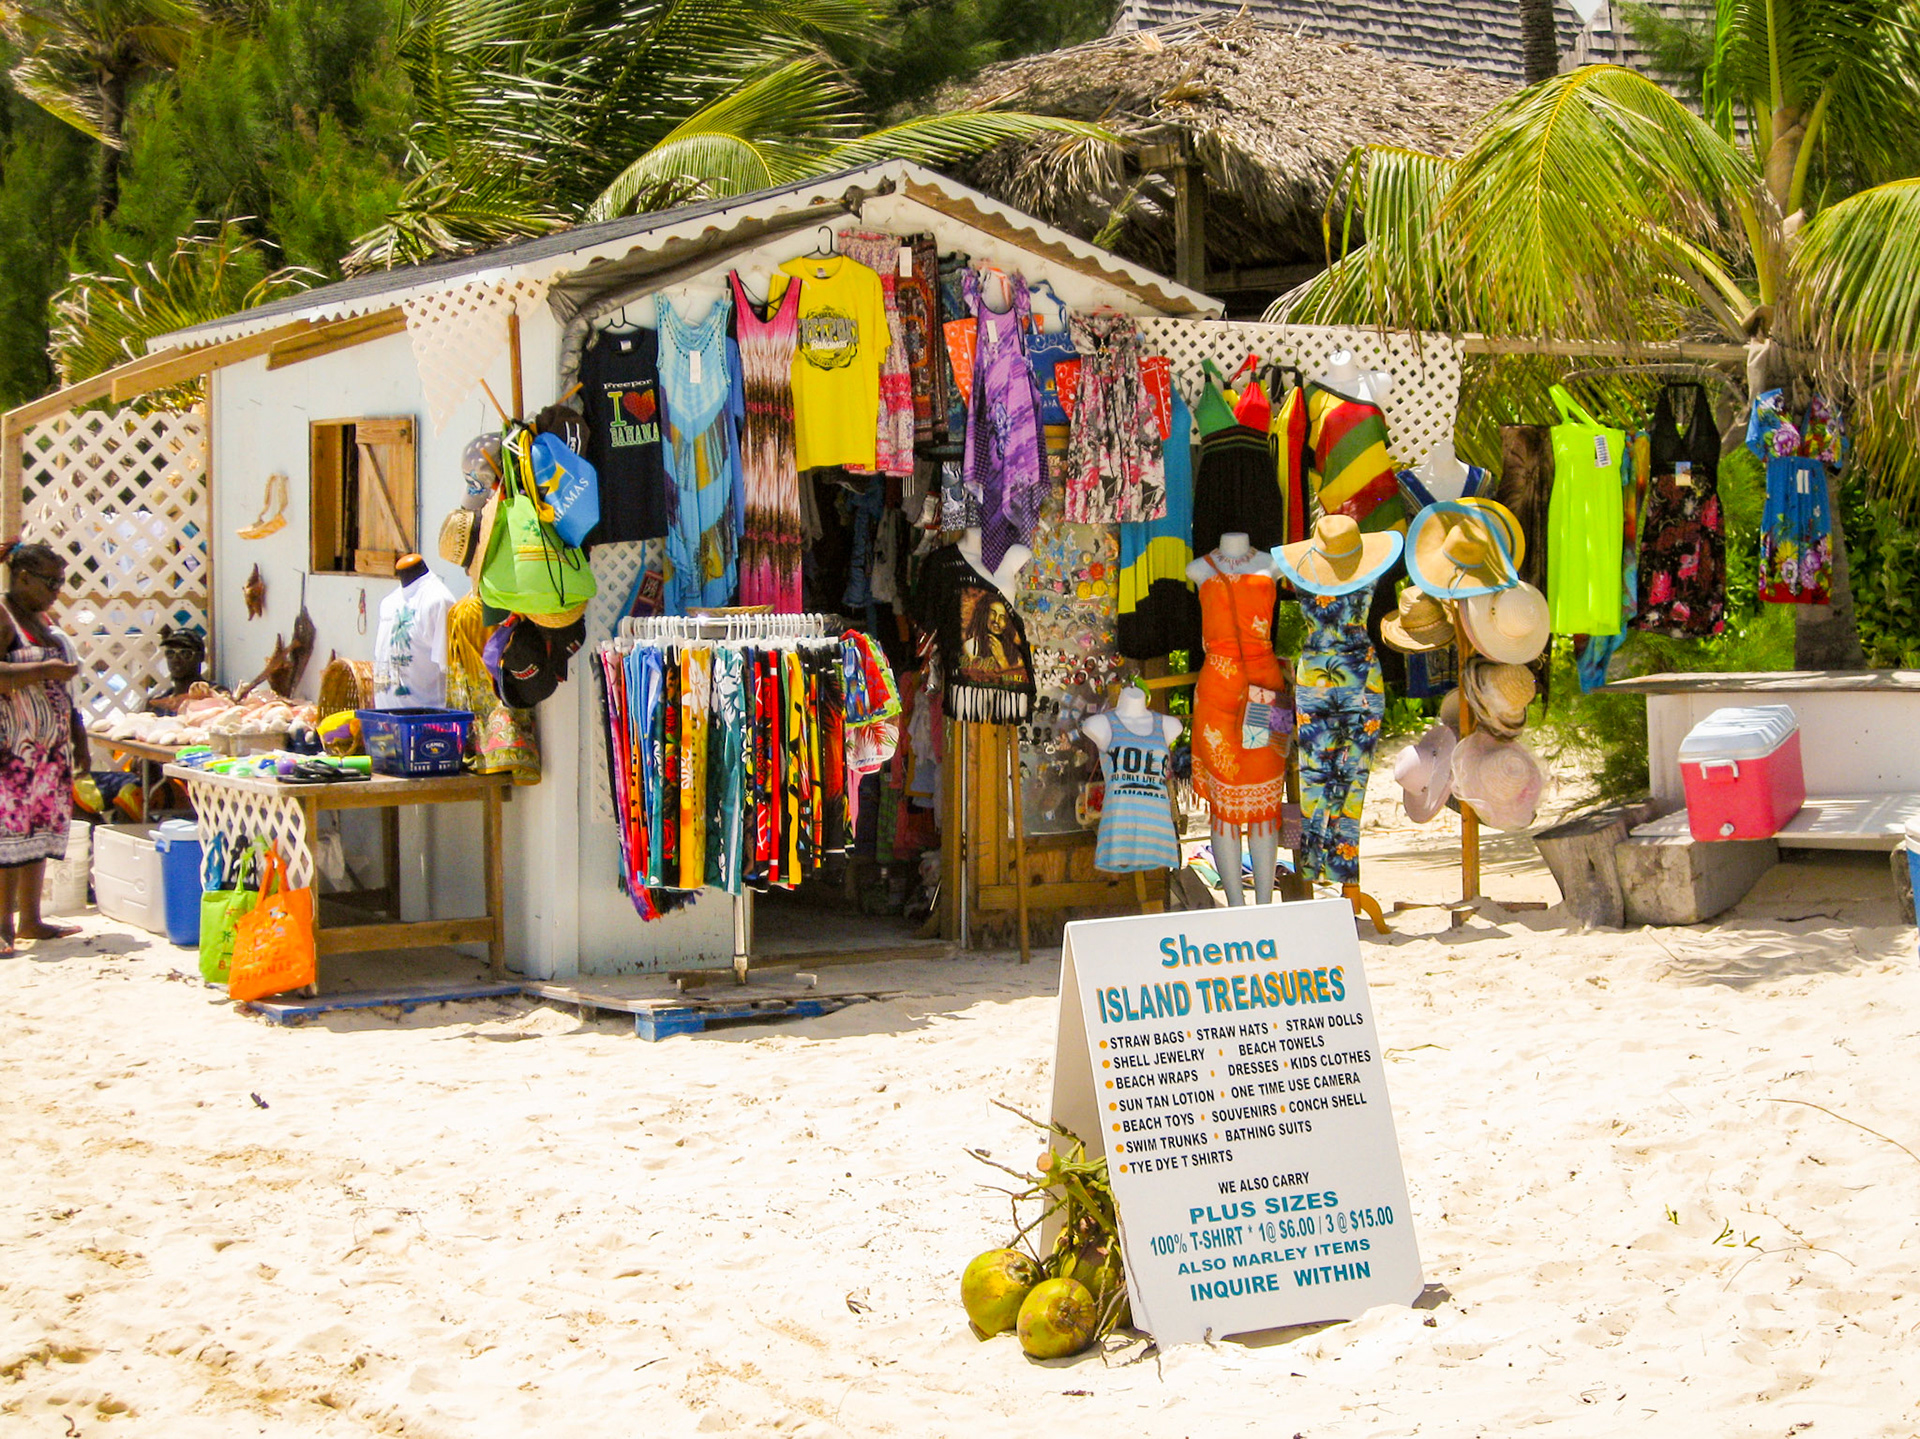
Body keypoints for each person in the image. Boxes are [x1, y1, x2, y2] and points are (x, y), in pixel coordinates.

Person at [0, 540, 87, 953]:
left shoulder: (42, 619)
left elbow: (67, 695)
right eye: (50, 582)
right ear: (22, 578)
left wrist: (79, 742)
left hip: (49, 750)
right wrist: (42, 669)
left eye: (61, 582)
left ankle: (31, 920)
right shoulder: (3, 617)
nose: (57, 591)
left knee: (39, 833)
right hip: (12, 750)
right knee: (7, 838)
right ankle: (2, 926)